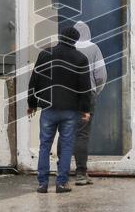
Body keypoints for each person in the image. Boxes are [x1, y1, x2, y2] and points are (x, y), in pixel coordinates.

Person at [27, 26, 93, 194]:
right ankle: (61, 183)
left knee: (44, 145)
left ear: (60, 36)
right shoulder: (80, 58)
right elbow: (85, 88)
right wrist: (86, 110)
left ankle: (42, 184)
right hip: (70, 111)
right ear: (75, 40)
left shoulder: (45, 54)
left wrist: (32, 103)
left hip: (48, 109)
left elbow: (34, 80)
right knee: (67, 145)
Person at [57, 20, 106, 186]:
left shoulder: (65, 49)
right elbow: (100, 75)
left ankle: (60, 171)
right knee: (82, 134)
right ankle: (81, 174)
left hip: (64, 96)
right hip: (86, 95)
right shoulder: (93, 48)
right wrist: (95, 91)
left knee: (64, 132)